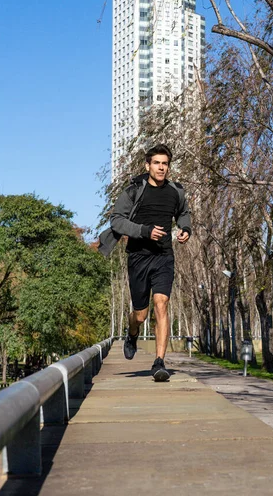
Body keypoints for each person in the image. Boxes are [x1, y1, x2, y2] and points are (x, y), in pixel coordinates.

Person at [98, 143, 191, 381]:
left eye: (165, 164)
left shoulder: (176, 191)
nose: (161, 168)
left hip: (163, 256)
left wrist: (185, 229)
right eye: (157, 163)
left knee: (162, 303)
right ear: (147, 165)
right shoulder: (133, 191)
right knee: (140, 314)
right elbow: (117, 221)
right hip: (138, 256)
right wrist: (144, 230)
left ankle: (159, 362)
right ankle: (132, 333)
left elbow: (182, 213)